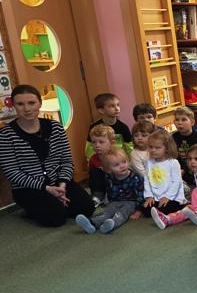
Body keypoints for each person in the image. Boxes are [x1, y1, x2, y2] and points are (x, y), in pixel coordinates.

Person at [0, 84, 94, 227]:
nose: (27, 109)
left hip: (59, 182)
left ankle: (56, 203)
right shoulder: (6, 135)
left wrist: (62, 184)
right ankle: (40, 208)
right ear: (14, 106)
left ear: (40, 103)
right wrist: (47, 188)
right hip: (30, 188)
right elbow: (12, 172)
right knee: (56, 218)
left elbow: (67, 161)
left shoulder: (56, 127)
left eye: (31, 103)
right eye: (20, 104)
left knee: (87, 208)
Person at [75, 148, 144, 234]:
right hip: (115, 201)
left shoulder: (135, 177)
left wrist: (139, 210)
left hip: (131, 202)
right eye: (116, 165)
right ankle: (92, 224)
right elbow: (109, 189)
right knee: (107, 213)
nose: (122, 166)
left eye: (124, 162)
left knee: (121, 214)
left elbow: (140, 194)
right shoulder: (109, 177)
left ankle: (112, 224)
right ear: (109, 170)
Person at [144, 130, 187, 227]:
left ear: (167, 148)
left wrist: (167, 197)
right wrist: (149, 196)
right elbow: (147, 180)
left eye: (157, 148)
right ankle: (158, 213)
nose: (153, 150)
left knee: (169, 207)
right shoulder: (149, 162)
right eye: (151, 147)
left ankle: (167, 215)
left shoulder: (173, 162)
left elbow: (177, 182)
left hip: (172, 197)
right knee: (146, 208)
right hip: (156, 196)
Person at [85, 92, 132, 159]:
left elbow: (130, 148)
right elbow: (89, 149)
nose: (117, 108)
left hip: (119, 161)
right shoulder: (94, 127)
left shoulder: (123, 127)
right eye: (112, 106)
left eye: (118, 105)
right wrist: (93, 161)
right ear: (101, 110)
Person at [87, 124, 116, 205]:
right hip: (100, 186)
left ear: (111, 143)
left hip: (115, 185)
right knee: (95, 171)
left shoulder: (116, 156)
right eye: (94, 142)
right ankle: (97, 195)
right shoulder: (93, 158)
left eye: (101, 142)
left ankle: (110, 195)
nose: (97, 145)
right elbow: (92, 179)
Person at [171, 106, 197, 183]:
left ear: (192, 122)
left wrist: (185, 169)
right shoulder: (173, 137)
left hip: (196, 172)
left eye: (184, 120)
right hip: (179, 172)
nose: (179, 123)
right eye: (177, 120)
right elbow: (173, 156)